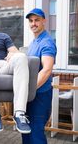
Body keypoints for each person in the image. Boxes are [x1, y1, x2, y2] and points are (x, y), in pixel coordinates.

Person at [22, 8, 57, 144]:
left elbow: (47, 70)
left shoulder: (46, 42)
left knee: (35, 133)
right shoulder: (34, 42)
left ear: (44, 21)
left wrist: (28, 90)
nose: (33, 23)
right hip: (31, 95)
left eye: (37, 20)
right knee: (26, 131)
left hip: (40, 95)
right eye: (31, 21)